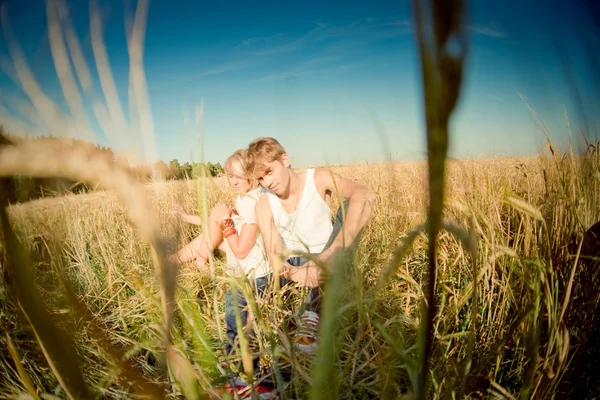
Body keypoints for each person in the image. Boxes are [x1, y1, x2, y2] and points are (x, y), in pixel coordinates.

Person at [247, 137, 376, 352]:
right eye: (260, 179)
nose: (267, 183)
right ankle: (308, 321)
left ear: (285, 160)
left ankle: (313, 318)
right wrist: (297, 273)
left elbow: (365, 194)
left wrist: (330, 254)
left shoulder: (318, 178)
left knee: (355, 204)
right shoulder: (264, 204)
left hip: (334, 254)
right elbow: (275, 258)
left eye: (269, 172)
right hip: (297, 267)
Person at [170, 149, 274, 396]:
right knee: (240, 329)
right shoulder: (247, 198)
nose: (234, 181)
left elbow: (239, 250)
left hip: (250, 275)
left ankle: (242, 382)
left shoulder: (255, 203)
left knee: (237, 328)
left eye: (239, 176)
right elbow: (216, 224)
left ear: (251, 174)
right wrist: (191, 217)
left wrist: (224, 219)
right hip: (245, 270)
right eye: (229, 176)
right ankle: (244, 380)